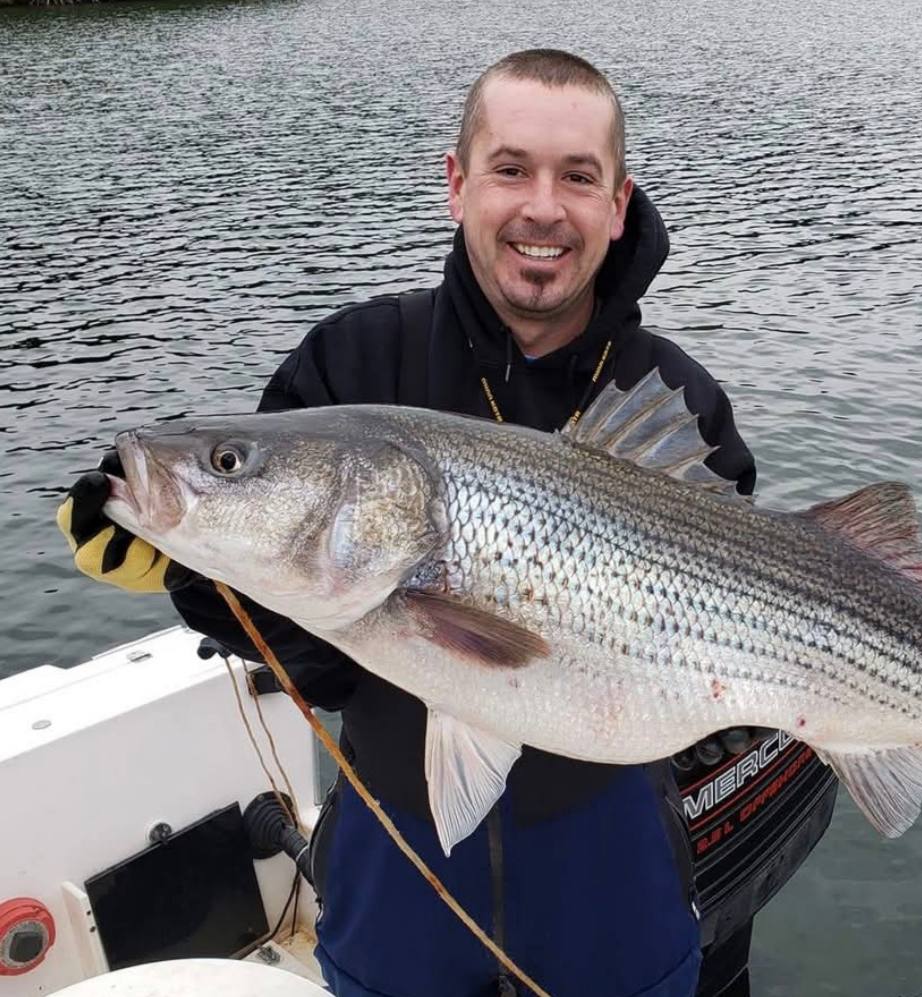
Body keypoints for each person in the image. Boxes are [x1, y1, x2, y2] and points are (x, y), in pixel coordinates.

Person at [58, 49, 836, 997]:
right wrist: (200, 574)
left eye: (576, 176)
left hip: (616, 882)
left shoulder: (674, 398)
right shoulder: (351, 363)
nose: (541, 207)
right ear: (456, 185)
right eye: (509, 168)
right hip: (398, 874)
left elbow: (717, 689)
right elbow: (322, 663)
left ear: (617, 202)